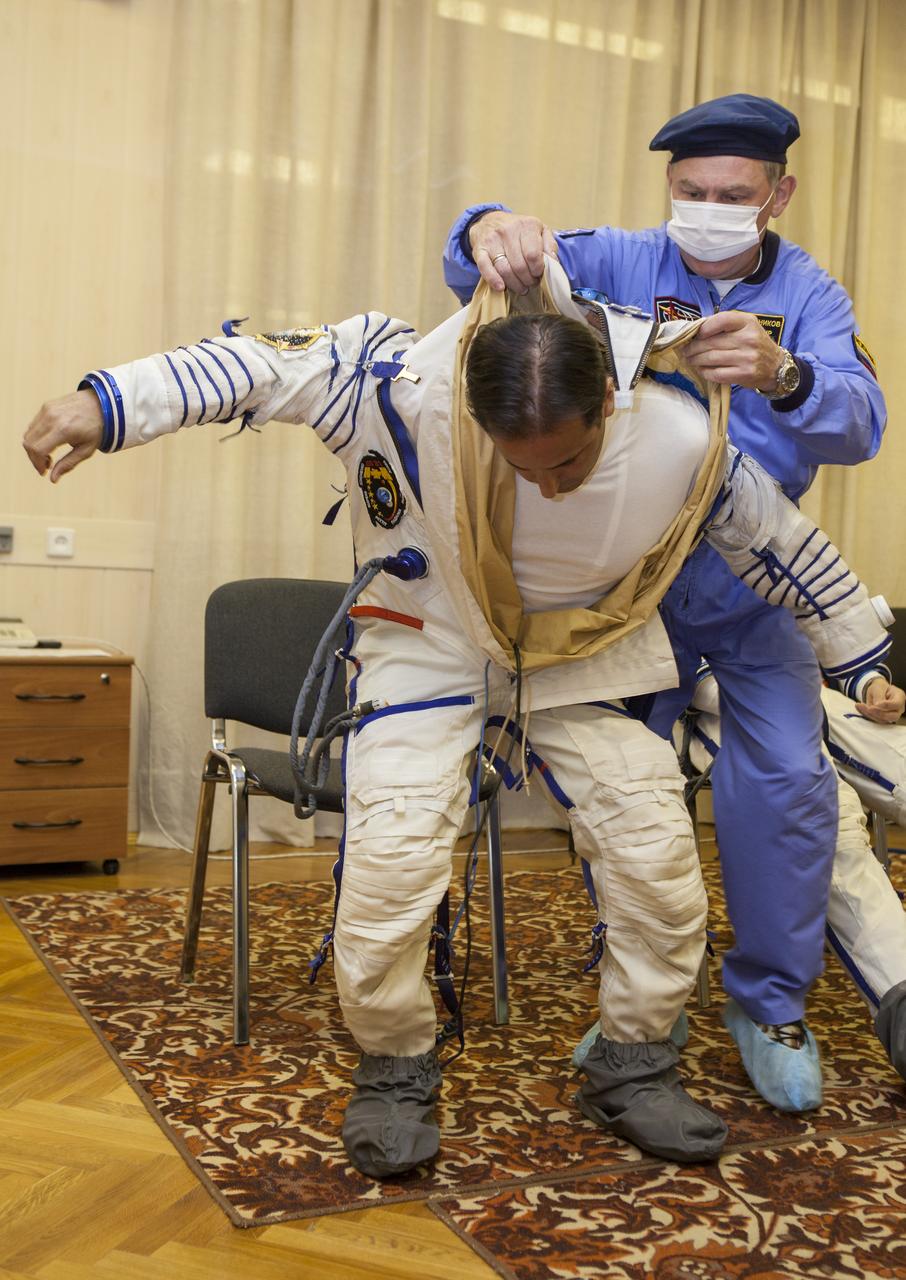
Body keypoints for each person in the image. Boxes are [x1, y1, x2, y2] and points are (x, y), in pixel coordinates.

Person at [22, 257, 889, 1177]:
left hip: (578, 653)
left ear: (607, 409)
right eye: (519, 467)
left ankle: (634, 1061)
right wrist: (105, 404)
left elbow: (780, 545)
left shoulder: (682, 437)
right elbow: (257, 367)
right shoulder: (399, 388)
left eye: (567, 462)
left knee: (656, 858)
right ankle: (395, 1060)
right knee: (392, 864)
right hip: (426, 640)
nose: (547, 488)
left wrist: (861, 658)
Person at [441, 93, 888, 1113]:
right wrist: (483, 227)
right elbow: (486, 272)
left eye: (733, 195)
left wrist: (785, 374)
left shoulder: (811, 292)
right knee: (624, 795)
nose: (709, 209)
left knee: (784, 782)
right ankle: (643, 998)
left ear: (777, 194)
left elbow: (861, 422)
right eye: (690, 192)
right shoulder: (621, 260)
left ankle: (768, 1002)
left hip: (749, 585)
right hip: (625, 589)